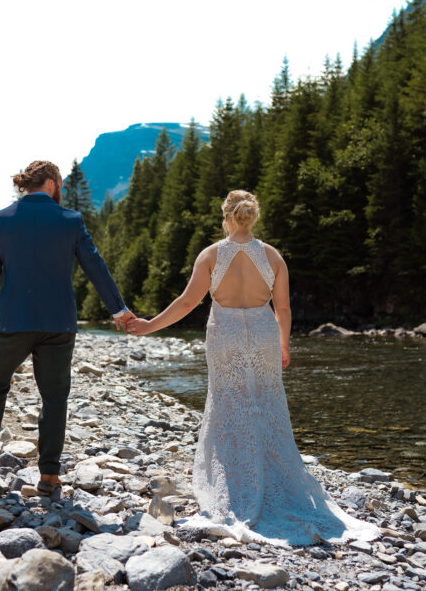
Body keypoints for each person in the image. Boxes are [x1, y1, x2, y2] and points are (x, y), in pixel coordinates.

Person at [128, 190, 379, 545]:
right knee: (266, 404)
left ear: (227, 217)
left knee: (228, 403)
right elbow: (285, 310)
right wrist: (284, 344)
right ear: (252, 217)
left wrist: (149, 324)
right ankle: (271, 479)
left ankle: (234, 486)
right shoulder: (272, 256)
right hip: (263, 333)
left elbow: (188, 301)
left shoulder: (212, 254)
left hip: (225, 335)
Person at [0, 161, 135, 501]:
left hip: (12, 322)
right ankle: (49, 475)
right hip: (58, 324)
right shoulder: (70, 220)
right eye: (59, 182)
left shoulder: (1, 220)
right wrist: (118, 309)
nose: (61, 187)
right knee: (54, 397)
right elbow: (95, 265)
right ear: (50, 183)